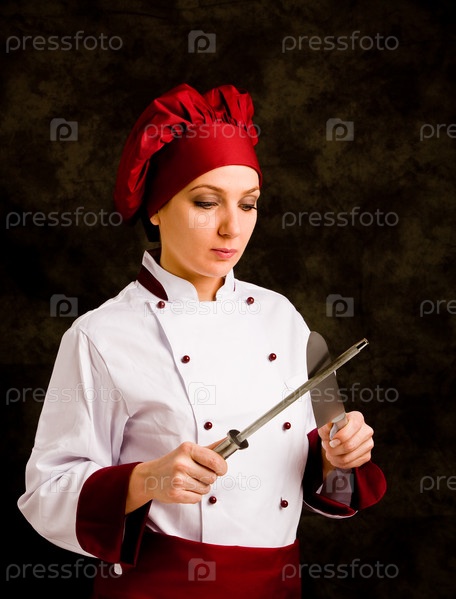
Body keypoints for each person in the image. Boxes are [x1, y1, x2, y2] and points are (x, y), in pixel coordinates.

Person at [17, 83, 386, 598]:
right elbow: (47, 494)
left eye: (249, 204)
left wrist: (339, 456)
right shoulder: (101, 335)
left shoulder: (281, 317)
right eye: (207, 202)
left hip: (277, 584)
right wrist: (147, 479)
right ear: (156, 208)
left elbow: (309, 471)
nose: (232, 228)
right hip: (162, 586)